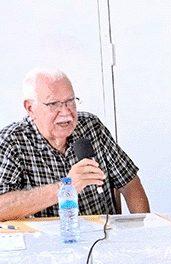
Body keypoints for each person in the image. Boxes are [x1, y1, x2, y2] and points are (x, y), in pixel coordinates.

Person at [0, 68, 150, 220]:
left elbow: (130, 183)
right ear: (30, 108)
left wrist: (141, 231)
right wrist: (65, 187)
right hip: (46, 241)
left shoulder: (91, 126)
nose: (66, 112)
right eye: (53, 104)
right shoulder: (12, 141)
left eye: (70, 101)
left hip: (103, 235)